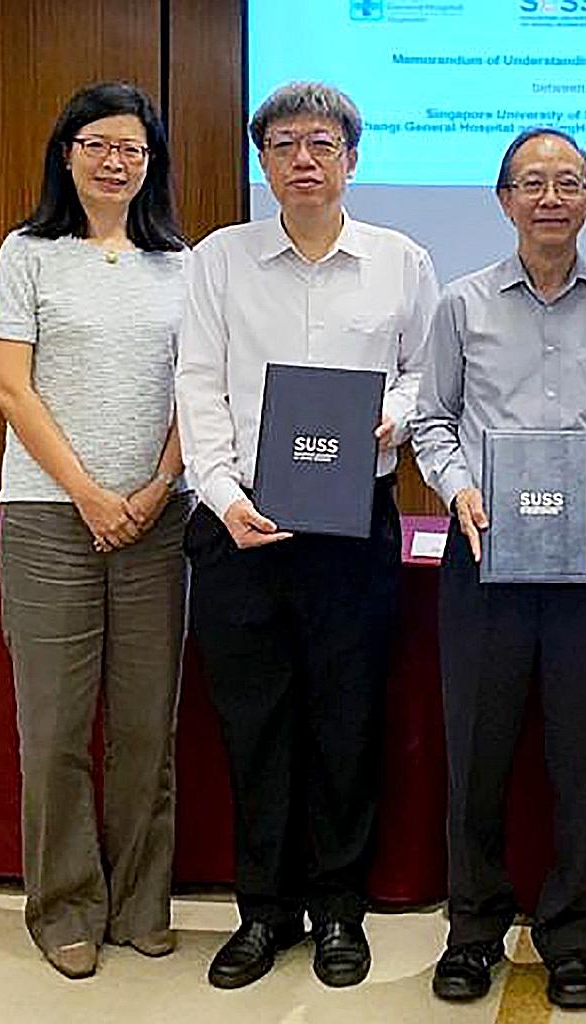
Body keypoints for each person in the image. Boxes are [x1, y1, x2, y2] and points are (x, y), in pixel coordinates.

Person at [174, 81, 439, 990]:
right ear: (263, 161)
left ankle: (338, 912)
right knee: (254, 725)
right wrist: (216, 491)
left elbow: (422, 377)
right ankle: (263, 913)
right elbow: (197, 384)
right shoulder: (219, 259)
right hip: (240, 521)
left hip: (352, 524)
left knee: (345, 720)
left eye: (321, 142)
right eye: (283, 143)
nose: (303, 159)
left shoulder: (401, 260)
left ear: (351, 159)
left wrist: (391, 418)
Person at [410, 127, 586, 1011]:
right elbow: (430, 419)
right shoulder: (461, 304)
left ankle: (571, 937)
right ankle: (473, 932)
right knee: (476, 750)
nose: (550, 196)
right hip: (485, 553)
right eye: (531, 182)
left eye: (568, 182)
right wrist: (457, 488)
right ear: (504, 199)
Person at [0, 81, 189, 980]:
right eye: (98, 145)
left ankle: (142, 901)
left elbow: (203, 390)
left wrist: (153, 487)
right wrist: (93, 497)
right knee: (57, 725)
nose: (116, 162)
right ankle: (65, 904)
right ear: (66, 153)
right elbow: (10, 388)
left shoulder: (182, 263)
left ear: (152, 165)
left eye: (134, 150)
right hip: (48, 518)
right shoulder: (27, 254)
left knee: (147, 727)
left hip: (158, 518)